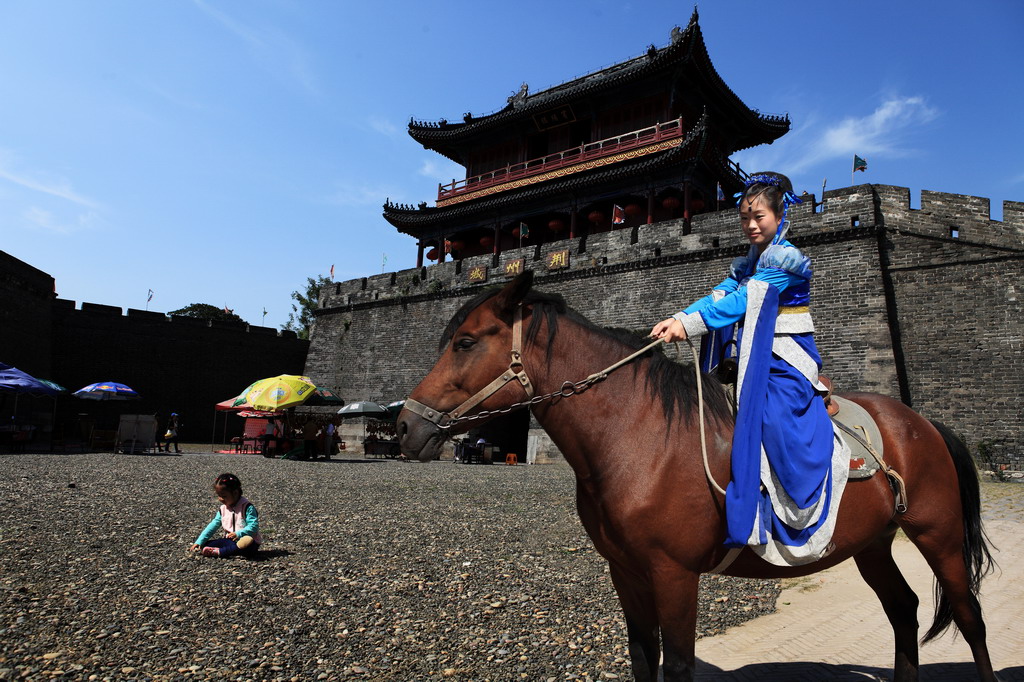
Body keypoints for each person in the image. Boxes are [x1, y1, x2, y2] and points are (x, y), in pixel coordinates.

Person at [650, 171, 846, 566]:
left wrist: (687, 326)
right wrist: (678, 316)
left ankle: (792, 508)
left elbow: (739, 303)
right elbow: (719, 294)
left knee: (771, 418)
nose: (751, 225)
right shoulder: (750, 262)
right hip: (754, 357)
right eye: (744, 218)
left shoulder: (784, 260)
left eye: (759, 217)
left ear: (779, 215)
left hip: (786, 360)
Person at [190, 473, 262, 558]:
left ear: (235, 493)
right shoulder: (223, 509)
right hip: (229, 541)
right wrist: (199, 542)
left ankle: (220, 552)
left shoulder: (247, 507)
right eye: (219, 495)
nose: (220, 499)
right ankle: (222, 551)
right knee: (205, 544)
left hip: (246, 541)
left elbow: (253, 526)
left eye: (224, 496)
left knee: (247, 545)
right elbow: (213, 525)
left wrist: (238, 534)